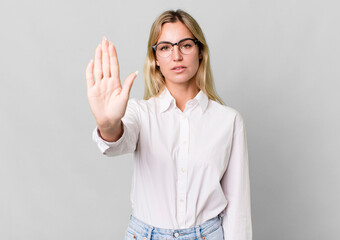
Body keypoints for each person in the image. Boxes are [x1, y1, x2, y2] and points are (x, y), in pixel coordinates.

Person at [85, 9, 252, 240]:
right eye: (165, 47)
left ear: (200, 51)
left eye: (185, 45)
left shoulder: (229, 121)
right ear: (155, 60)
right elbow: (115, 142)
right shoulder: (140, 113)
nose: (176, 56)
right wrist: (107, 124)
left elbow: (237, 205)